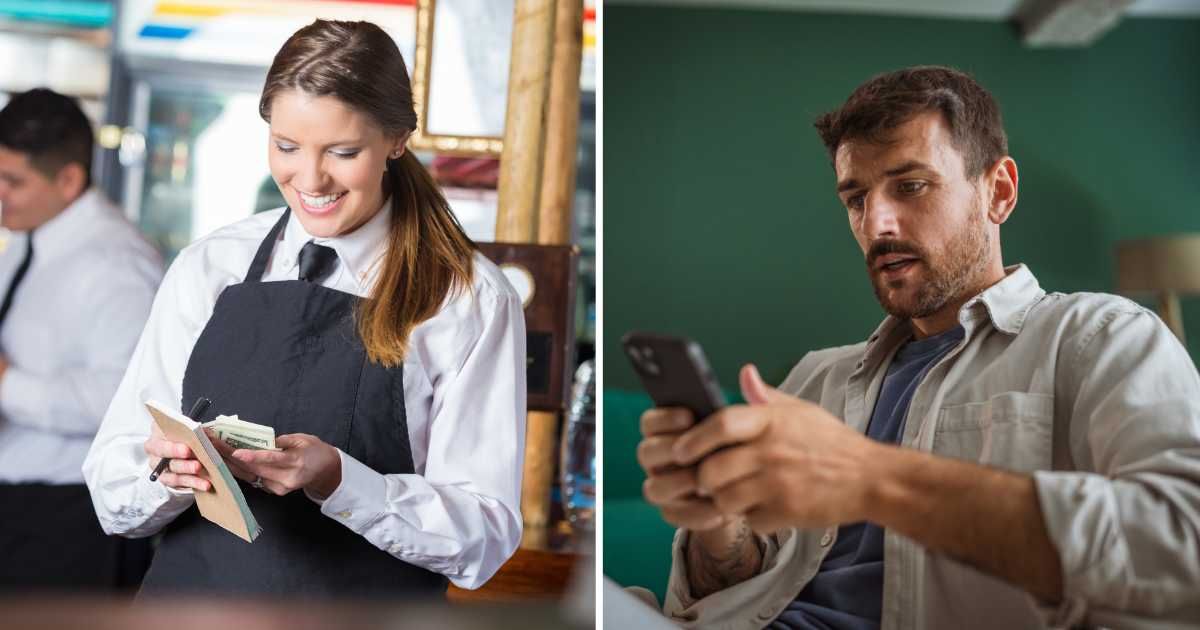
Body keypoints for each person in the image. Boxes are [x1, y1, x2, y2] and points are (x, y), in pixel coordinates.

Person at [636, 66, 1200, 629]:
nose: (876, 223)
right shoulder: (816, 377)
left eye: (911, 186)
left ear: (998, 192)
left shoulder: (1101, 338)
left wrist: (871, 478)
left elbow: (1184, 549)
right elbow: (735, 589)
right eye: (856, 197)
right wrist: (719, 526)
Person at [84, 19, 527, 597]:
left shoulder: (468, 298)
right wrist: (168, 475)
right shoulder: (211, 266)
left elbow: (484, 539)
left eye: (343, 152)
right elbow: (112, 492)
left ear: (397, 139)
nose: (310, 178)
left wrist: (342, 481)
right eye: (286, 147)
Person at [0, 88, 162, 590]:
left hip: (68, 521)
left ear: (68, 179)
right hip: (22, 508)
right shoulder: (31, 236)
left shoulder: (118, 264)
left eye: (13, 181)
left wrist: (7, 384)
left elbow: (127, 402)